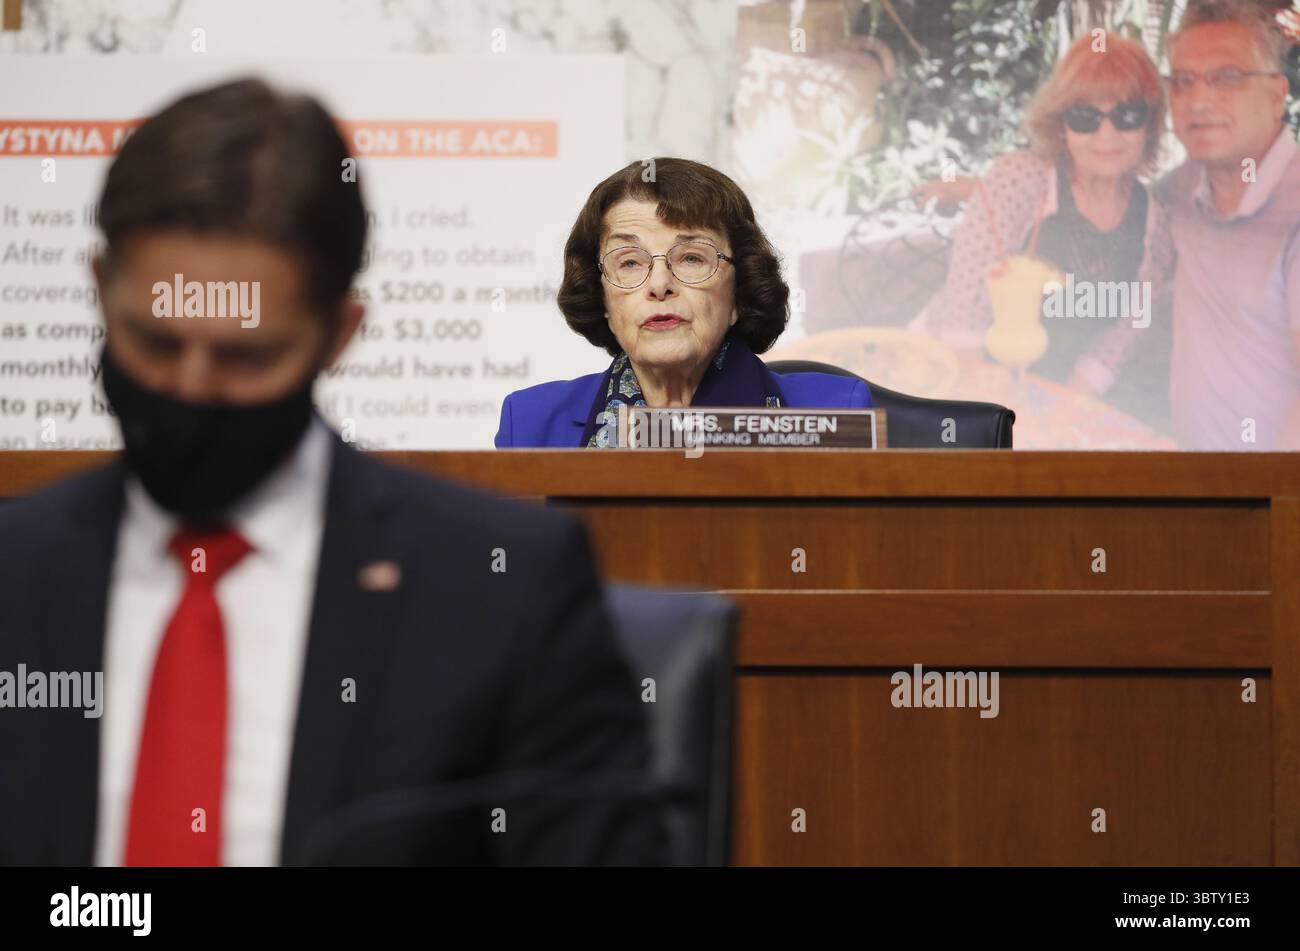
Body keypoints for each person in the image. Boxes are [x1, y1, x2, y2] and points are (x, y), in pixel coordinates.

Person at [0, 78, 661, 866]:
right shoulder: (16, 572)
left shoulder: (504, 590)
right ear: (101, 294)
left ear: (338, 335)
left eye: (247, 355)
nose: (193, 387)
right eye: (156, 342)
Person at [494, 158, 871, 448]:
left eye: (691, 258)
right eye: (629, 261)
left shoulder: (837, 410)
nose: (660, 284)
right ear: (603, 299)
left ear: (739, 293)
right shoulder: (530, 422)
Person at [914, 33, 1175, 427]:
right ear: (1061, 123)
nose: (1107, 135)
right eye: (1085, 117)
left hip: (1050, 396)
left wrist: (1067, 406)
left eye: (1128, 115)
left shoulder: (1153, 223)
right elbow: (964, 312)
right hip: (951, 379)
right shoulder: (1020, 181)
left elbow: (1123, 333)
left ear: (1150, 125)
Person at [1155, 0, 1300, 450]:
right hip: (1191, 484)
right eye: (1182, 81)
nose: (1198, 99)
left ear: (1277, 94)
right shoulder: (1181, 190)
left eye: (1227, 78)